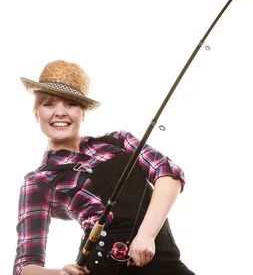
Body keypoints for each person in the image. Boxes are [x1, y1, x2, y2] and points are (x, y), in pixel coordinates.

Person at [13, 60, 194, 275]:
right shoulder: (37, 181)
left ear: (83, 113)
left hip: (164, 260)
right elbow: (24, 266)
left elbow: (168, 174)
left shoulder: (120, 140)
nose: (60, 112)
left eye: (70, 104)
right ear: (37, 114)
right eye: (49, 104)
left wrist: (146, 235)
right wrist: (61, 274)